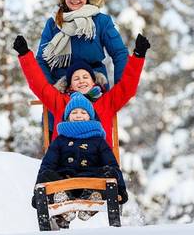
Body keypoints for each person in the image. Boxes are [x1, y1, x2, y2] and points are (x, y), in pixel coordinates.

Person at [12, 33, 150, 149]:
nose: (81, 80)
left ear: (93, 81)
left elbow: (127, 87)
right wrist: (25, 55)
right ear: (70, 86)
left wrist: (138, 56)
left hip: (99, 161)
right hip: (65, 161)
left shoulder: (106, 101)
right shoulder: (60, 102)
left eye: (85, 77)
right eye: (76, 78)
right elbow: (39, 85)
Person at [31, 92, 128, 228]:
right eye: (74, 112)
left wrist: (121, 190)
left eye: (83, 112)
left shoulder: (98, 140)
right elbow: (47, 164)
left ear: (90, 116)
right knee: (46, 173)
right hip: (65, 182)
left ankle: (92, 200)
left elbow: (112, 164)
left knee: (109, 171)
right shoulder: (60, 140)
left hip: (91, 182)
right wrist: (37, 192)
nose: (78, 115)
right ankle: (63, 202)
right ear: (67, 117)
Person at [36, 0, 128, 89]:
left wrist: (121, 87)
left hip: (94, 86)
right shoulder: (53, 23)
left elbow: (119, 52)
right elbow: (42, 60)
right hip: (61, 89)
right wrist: (49, 91)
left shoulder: (101, 21)